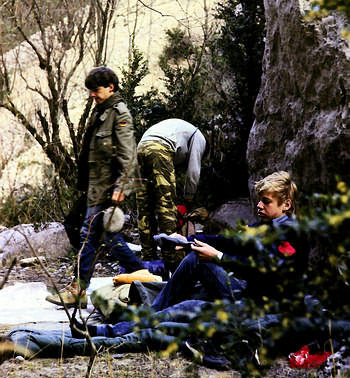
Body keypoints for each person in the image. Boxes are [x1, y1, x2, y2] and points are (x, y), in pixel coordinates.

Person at [76, 171, 306, 338]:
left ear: (285, 204)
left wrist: (219, 258)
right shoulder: (261, 228)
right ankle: (142, 319)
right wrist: (187, 242)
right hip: (246, 294)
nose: (259, 206)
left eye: (266, 202)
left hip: (263, 308)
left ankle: (115, 331)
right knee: (196, 257)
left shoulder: (292, 235)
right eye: (259, 200)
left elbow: (268, 273)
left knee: (186, 307)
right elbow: (228, 242)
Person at [46, 66, 140, 308]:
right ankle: (142, 275)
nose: (92, 95)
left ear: (111, 87)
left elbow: (128, 156)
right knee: (100, 234)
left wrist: (122, 187)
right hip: (93, 187)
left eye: (96, 90)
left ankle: (78, 288)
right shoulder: (101, 112)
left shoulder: (119, 114)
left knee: (89, 234)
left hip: (107, 188)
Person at [136, 118, 206, 269]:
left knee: (144, 207)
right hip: (159, 148)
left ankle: (148, 260)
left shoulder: (182, 130)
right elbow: (193, 172)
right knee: (165, 205)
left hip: (141, 147)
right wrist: (189, 198)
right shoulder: (199, 137)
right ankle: (173, 260)